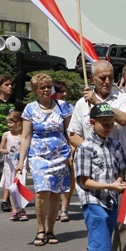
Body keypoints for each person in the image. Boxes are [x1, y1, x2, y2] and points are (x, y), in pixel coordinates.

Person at [68, 60, 126, 251]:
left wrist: (96, 101)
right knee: (98, 214)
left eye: (110, 76)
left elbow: (124, 119)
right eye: (102, 78)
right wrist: (92, 148)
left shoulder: (121, 97)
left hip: (120, 164)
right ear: (93, 79)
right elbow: (72, 133)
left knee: (122, 218)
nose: (107, 81)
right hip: (93, 166)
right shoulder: (80, 104)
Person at [75, 102, 126, 251]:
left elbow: (121, 170)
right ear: (92, 123)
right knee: (104, 249)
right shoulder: (85, 148)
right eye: (104, 124)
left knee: (99, 246)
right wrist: (111, 185)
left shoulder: (115, 145)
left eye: (111, 124)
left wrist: (120, 181)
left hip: (111, 201)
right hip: (93, 202)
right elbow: (84, 181)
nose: (108, 127)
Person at [16, 73, 72, 246]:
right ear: (35, 90)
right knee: (41, 192)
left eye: (49, 86)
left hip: (60, 154)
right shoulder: (30, 109)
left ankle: (51, 229)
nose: (47, 90)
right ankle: (40, 229)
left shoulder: (63, 107)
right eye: (42, 87)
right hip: (38, 155)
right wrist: (21, 161)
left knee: (55, 193)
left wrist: (73, 152)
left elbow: (69, 132)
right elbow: (25, 137)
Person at [0, 75, 25, 212]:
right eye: (6, 85)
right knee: (3, 169)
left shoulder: (17, 103)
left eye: (10, 84)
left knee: (13, 168)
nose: (10, 87)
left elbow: (23, 122)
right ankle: (7, 197)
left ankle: (8, 198)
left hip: (14, 139)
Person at [0, 111, 27, 221]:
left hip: (21, 164)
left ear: (19, 123)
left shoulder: (24, 135)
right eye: (8, 123)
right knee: (11, 187)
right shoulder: (6, 134)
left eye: (11, 122)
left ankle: (22, 209)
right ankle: (14, 210)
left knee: (20, 186)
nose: (9, 125)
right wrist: (4, 150)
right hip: (9, 165)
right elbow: (0, 148)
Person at [53, 80, 74, 223]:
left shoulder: (68, 107)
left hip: (65, 148)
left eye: (65, 91)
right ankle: (53, 208)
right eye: (61, 91)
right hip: (48, 150)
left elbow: (71, 129)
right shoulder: (43, 107)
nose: (64, 94)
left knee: (66, 179)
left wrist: (72, 145)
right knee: (52, 180)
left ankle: (64, 209)